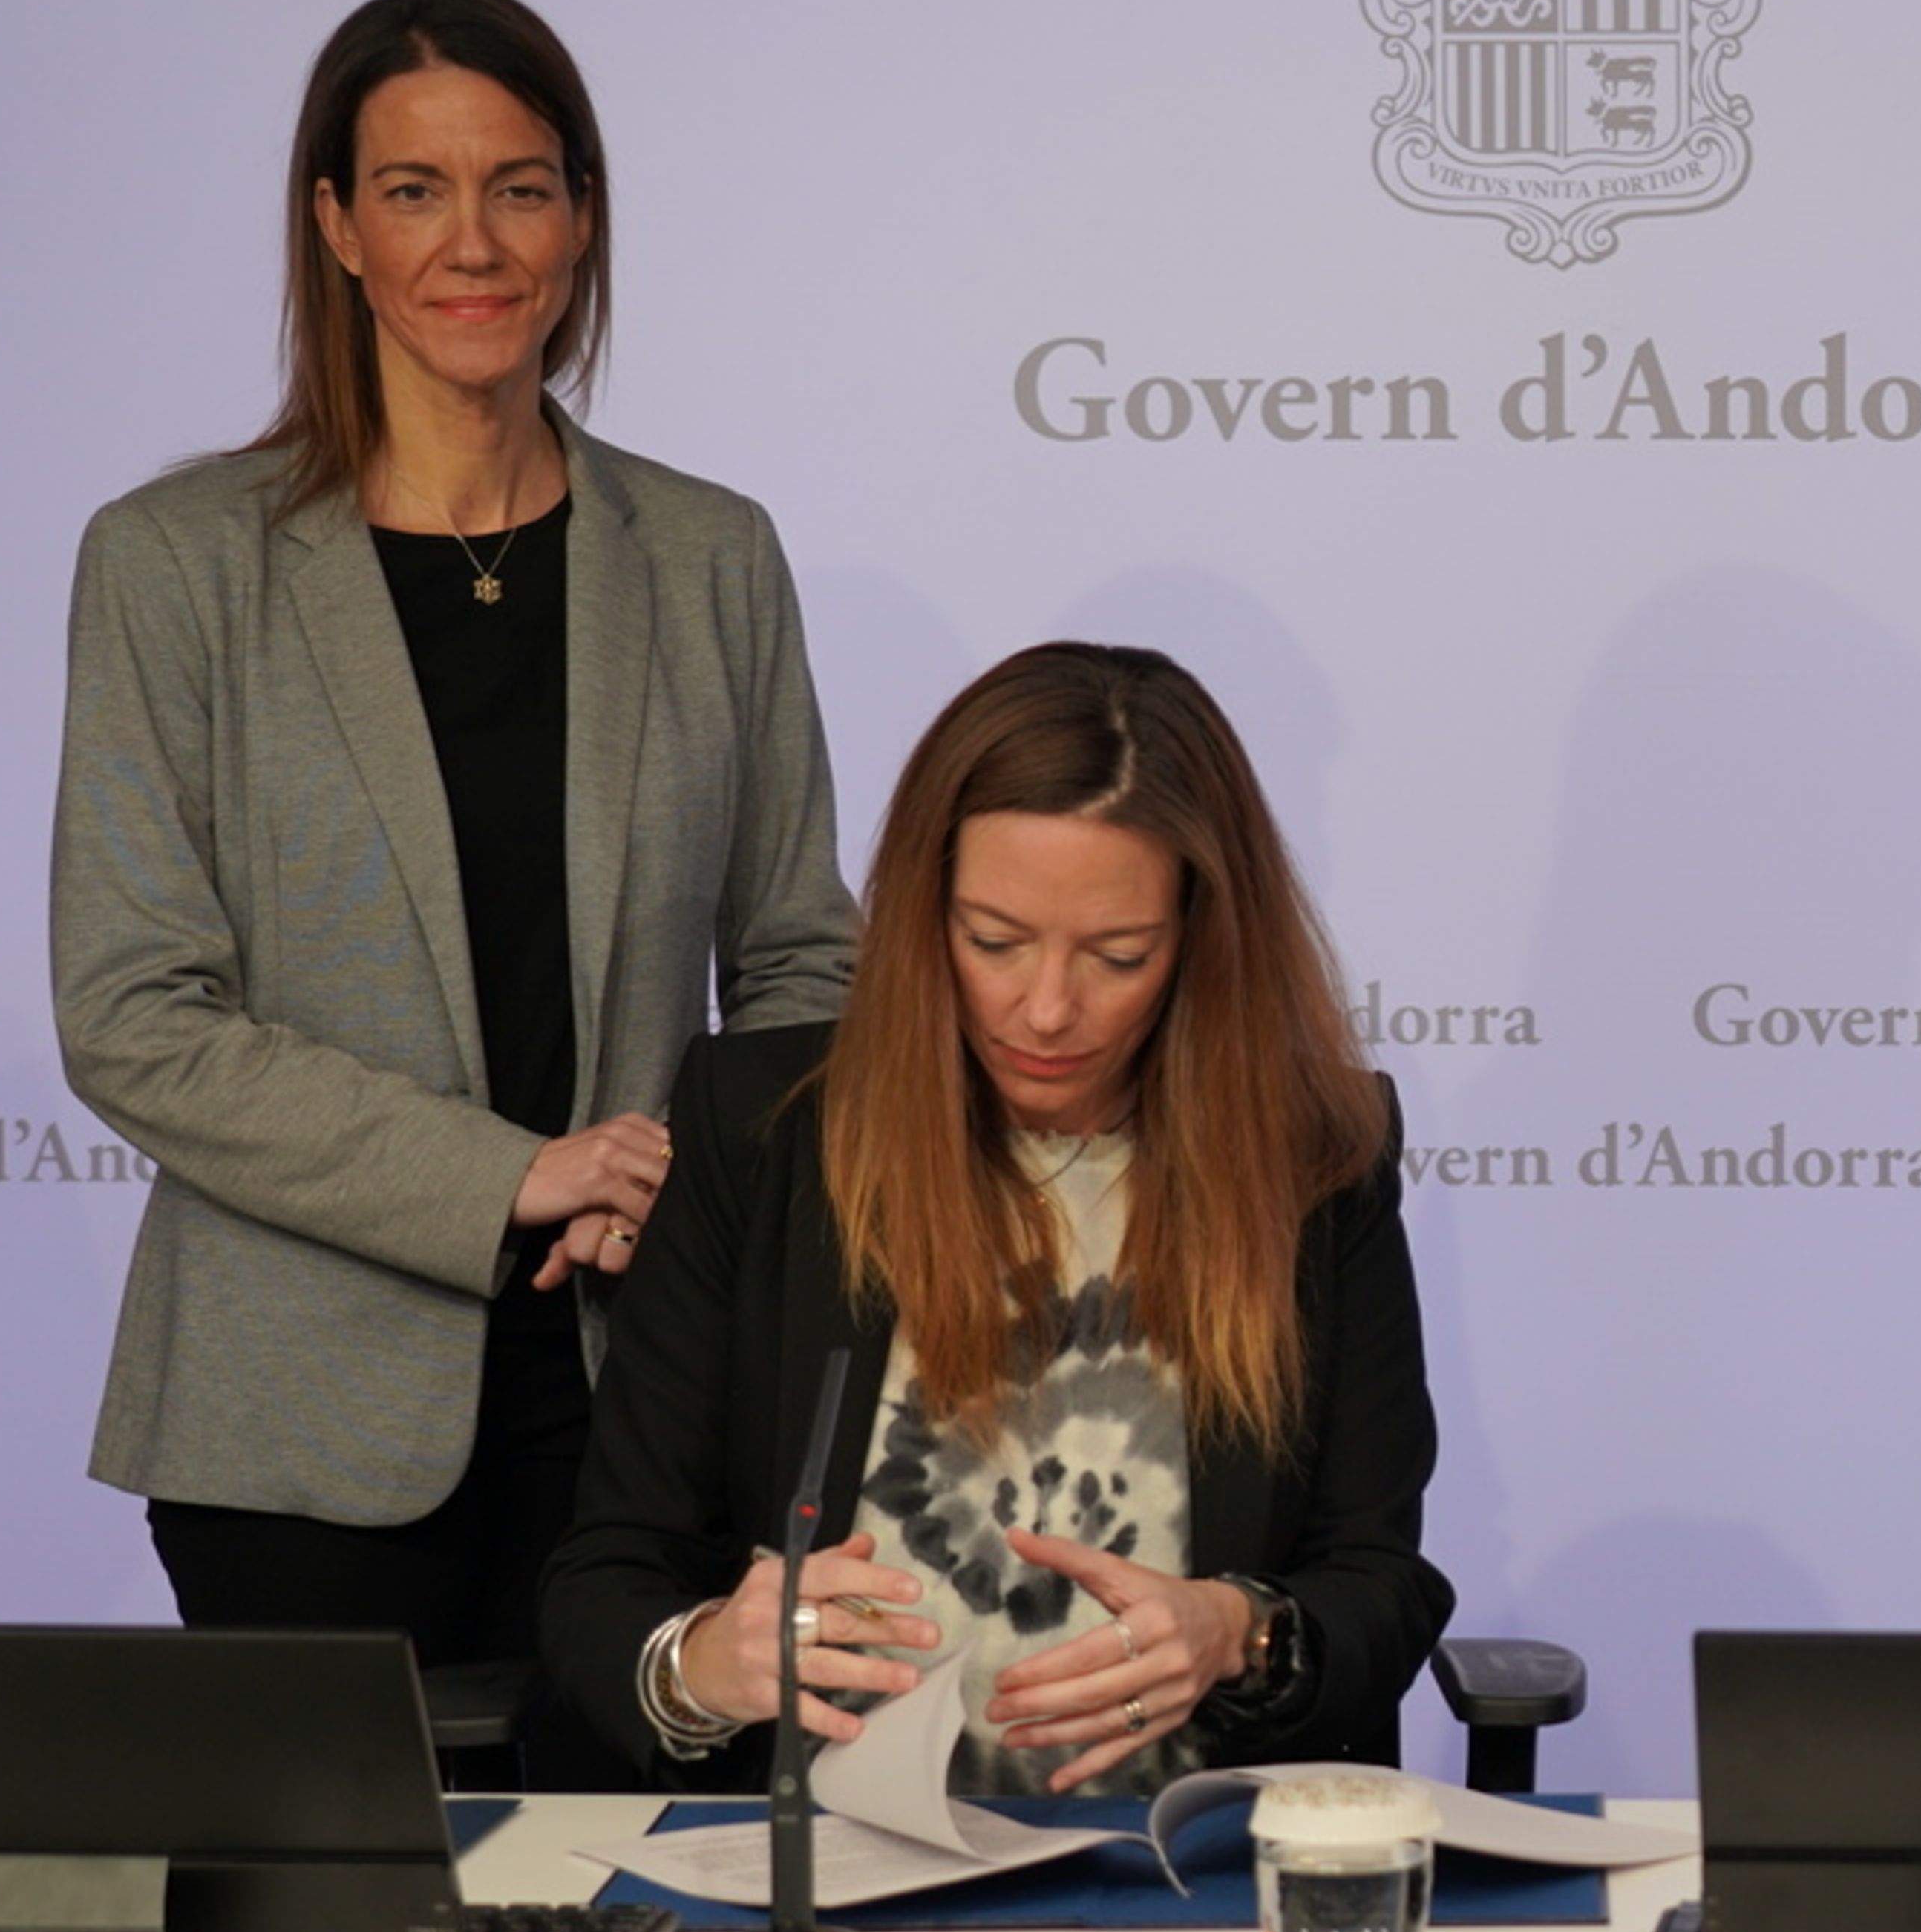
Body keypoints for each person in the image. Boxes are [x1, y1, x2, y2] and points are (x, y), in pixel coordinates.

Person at [53, 0, 854, 1775]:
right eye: (413, 190)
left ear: (580, 221)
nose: (473, 243)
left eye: (522, 186)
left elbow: (807, 965)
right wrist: (518, 1176)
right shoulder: (178, 566)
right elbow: (134, 1019)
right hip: (291, 1429)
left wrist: (670, 1172)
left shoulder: (711, 556)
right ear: (335, 228)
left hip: (649, 1408)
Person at [542, 643, 1450, 1792]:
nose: (1049, 1008)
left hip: (1185, 1864)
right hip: (824, 1866)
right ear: (925, 917)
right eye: (995, 942)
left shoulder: (1314, 1154)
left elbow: (1380, 1583)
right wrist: (701, 1665)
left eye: (1118, 956)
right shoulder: (764, 1128)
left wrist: (1239, 1632)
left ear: (1200, 941)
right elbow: (607, 1577)